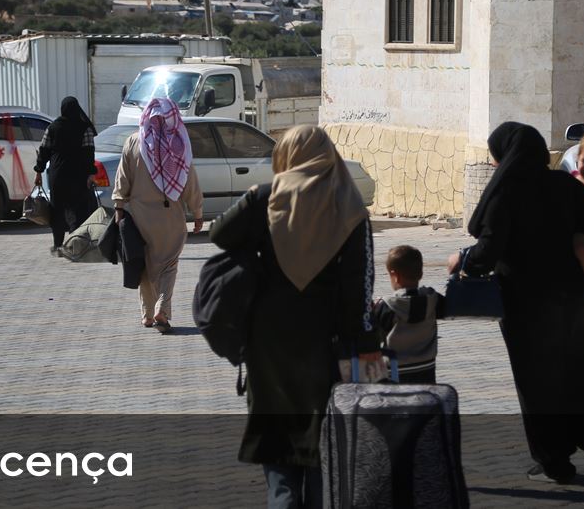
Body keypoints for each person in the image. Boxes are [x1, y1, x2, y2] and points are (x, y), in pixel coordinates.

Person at [209, 124, 381, 509]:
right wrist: (368, 358)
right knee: (328, 459)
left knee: (281, 464)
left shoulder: (267, 199)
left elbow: (220, 234)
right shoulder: (351, 208)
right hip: (330, 349)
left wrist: (260, 198)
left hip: (269, 349)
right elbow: (359, 293)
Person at [450, 122, 584, 485]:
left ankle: (553, 460)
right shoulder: (567, 186)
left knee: (536, 380)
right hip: (573, 296)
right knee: (571, 369)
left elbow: (488, 250)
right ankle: (574, 437)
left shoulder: (507, 195)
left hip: (527, 301)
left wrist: (462, 261)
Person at [110, 97, 203, 333]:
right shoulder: (179, 143)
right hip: (170, 216)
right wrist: (198, 212)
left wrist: (119, 208)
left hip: (141, 216)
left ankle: (148, 315)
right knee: (168, 264)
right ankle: (162, 308)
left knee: (145, 263)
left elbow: (122, 178)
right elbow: (189, 182)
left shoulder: (134, 142)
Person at [371, 245, 445, 384]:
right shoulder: (433, 299)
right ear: (421, 273)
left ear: (395, 276)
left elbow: (375, 333)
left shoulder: (387, 306)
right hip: (426, 368)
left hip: (394, 370)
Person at [34, 96, 97, 255]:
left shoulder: (53, 127)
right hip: (78, 175)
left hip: (57, 175)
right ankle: (75, 246)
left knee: (58, 210)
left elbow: (44, 150)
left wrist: (39, 171)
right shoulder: (85, 128)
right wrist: (90, 174)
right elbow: (89, 152)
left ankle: (57, 245)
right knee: (78, 210)